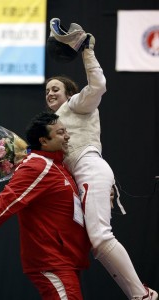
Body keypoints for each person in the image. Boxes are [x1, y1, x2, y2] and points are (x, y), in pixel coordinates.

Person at [45, 20, 158, 300]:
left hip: (91, 169)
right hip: (83, 179)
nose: (50, 93)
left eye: (55, 89)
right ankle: (140, 295)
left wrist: (87, 50)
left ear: (69, 93)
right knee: (96, 244)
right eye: (47, 90)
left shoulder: (76, 104)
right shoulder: (55, 122)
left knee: (101, 237)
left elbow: (98, 85)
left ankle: (142, 295)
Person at [0, 112, 91, 300]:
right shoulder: (37, 166)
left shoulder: (59, 166)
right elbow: (5, 202)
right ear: (44, 141)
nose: (67, 136)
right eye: (61, 132)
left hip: (66, 260)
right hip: (52, 261)